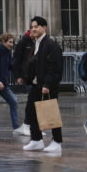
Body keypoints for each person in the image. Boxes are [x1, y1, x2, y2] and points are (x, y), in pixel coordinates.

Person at [22, 16, 63, 154]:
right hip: (36, 84)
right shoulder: (37, 43)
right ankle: (36, 139)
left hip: (47, 85)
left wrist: (48, 84)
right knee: (31, 111)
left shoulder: (50, 44)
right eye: (32, 27)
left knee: (51, 113)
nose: (33, 29)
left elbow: (55, 67)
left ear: (44, 28)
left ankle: (57, 142)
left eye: (36, 26)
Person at [0, 33, 22, 135]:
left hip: (3, 84)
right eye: (10, 42)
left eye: (12, 42)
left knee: (13, 102)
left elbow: (11, 66)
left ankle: (16, 127)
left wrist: (18, 76)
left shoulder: (7, 52)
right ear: (3, 41)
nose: (12, 44)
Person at [11, 27, 35, 136]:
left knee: (36, 101)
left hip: (36, 75)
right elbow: (17, 60)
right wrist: (18, 76)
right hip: (27, 75)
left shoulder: (37, 41)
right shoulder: (23, 42)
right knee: (32, 100)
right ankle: (26, 124)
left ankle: (33, 126)